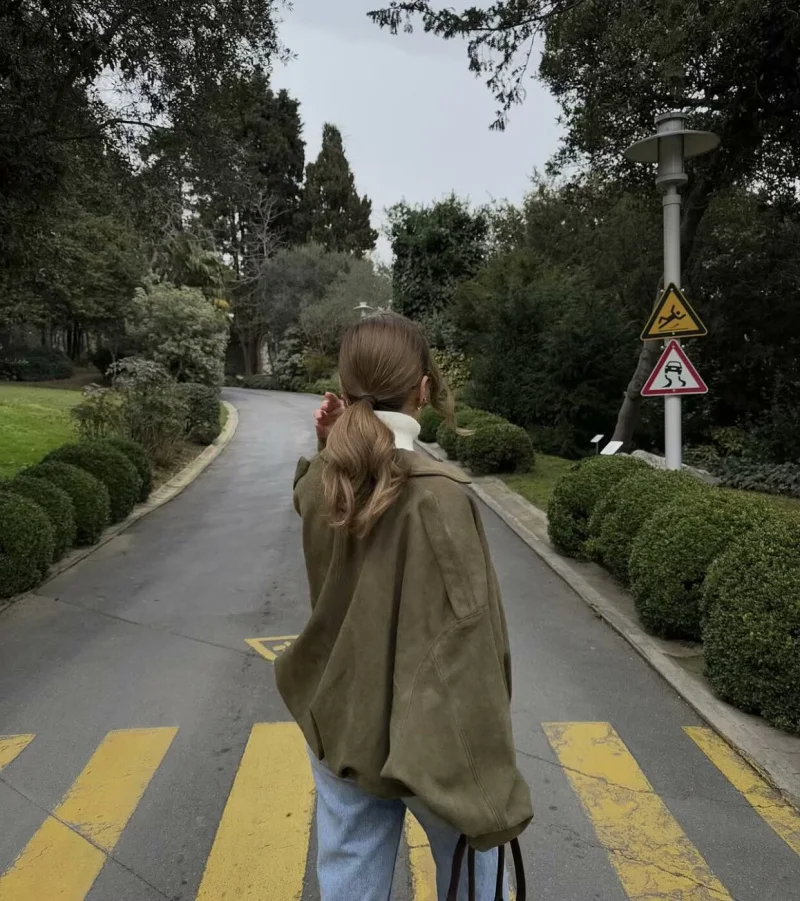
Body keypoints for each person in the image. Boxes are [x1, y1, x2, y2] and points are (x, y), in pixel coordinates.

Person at [275, 312, 532, 901]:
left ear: (344, 391)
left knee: (350, 874)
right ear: (422, 388)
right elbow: (473, 639)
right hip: (432, 736)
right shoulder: (440, 496)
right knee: (472, 876)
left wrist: (328, 447)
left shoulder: (321, 483)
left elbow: (327, 495)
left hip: (341, 719)